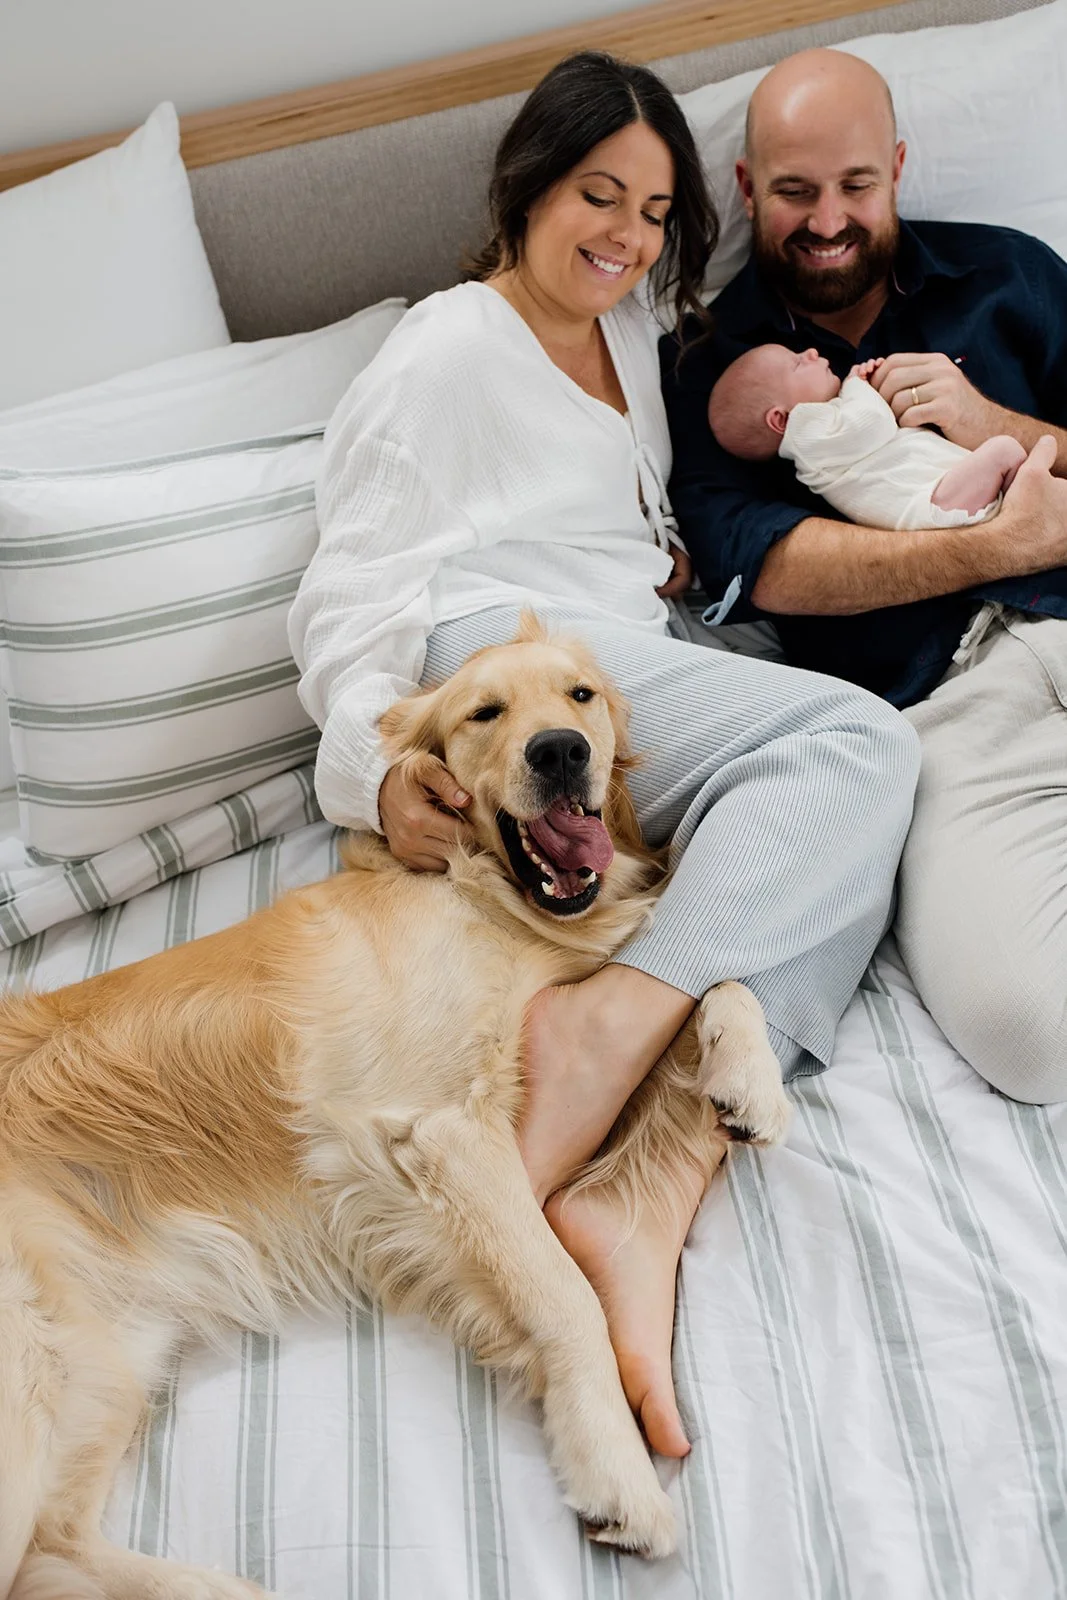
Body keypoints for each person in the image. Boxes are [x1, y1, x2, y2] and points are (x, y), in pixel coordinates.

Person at [289, 50, 919, 1460]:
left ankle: (654, 1180)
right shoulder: (447, 346)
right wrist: (374, 772)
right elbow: (349, 587)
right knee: (855, 751)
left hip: (629, 646)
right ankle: (598, 1033)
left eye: (648, 208)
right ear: (525, 187)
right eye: (594, 195)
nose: (623, 233)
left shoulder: (632, 320)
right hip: (508, 647)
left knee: (838, 820)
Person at [661, 45, 1067, 1106]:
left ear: (895, 167)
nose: (828, 219)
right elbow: (772, 569)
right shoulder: (708, 371)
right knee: (1025, 1035)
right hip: (945, 713)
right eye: (794, 192)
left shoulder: (1009, 276)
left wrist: (999, 427)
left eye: (855, 186)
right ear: (747, 189)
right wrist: (995, 545)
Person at [708, 344, 1026, 524]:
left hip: (940, 498)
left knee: (1021, 467)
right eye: (796, 364)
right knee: (1007, 451)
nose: (810, 352)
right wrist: (856, 383)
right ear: (781, 419)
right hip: (930, 506)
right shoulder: (807, 436)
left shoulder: (823, 433)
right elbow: (874, 423)